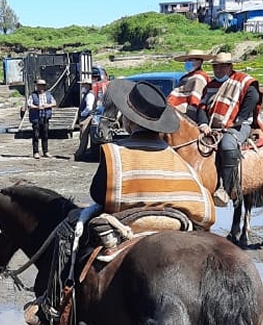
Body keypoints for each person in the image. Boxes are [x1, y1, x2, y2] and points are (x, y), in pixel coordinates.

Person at [89, 79, 215, 231]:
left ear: (128, 121)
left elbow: (97, 195)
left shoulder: (114, 154)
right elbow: (205, 214)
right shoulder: (181, 162)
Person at [195, 52, 262, 206]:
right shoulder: (210, 86)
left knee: (227, 145)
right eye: (215, 67)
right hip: (213, 126)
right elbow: (202, 106)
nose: (218, 70)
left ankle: (227, 188)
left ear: (230, 67)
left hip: (239, 125)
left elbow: (253, 97)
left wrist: (238, 119)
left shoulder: (242, 81)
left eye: (222, 67)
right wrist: (203, 123)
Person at [167, 49, 212, 115]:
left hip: (185, 113)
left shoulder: (199, 77)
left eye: (191, 60)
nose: (188, 63)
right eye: (187, 60)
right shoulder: (185, 78)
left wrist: (191, 112)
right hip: (175, 109)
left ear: (199, 62)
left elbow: (195, 97)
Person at [26, 79, 57, 159]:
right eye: (38, 85)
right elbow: (29, 105)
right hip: (36, 118)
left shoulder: (48, 94)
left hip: (45, 118)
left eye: (41, 85)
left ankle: (45, 151)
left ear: (44, 86)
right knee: (36, 135)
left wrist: (47, 106)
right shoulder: (33, 95)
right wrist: (37, 107)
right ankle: (36, 152)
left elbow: (54, 103)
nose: (39, 87)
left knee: (45, 135)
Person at [74, 79, 96, 161]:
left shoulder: (89, 95)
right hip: (87, 116)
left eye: (83, 85)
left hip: (87, 117)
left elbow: (89, 107)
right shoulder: (88, 94)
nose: (82, 86)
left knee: (83, 136)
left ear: (88, 85)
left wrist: (82, 114)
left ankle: (80, 154)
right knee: (83, 136)